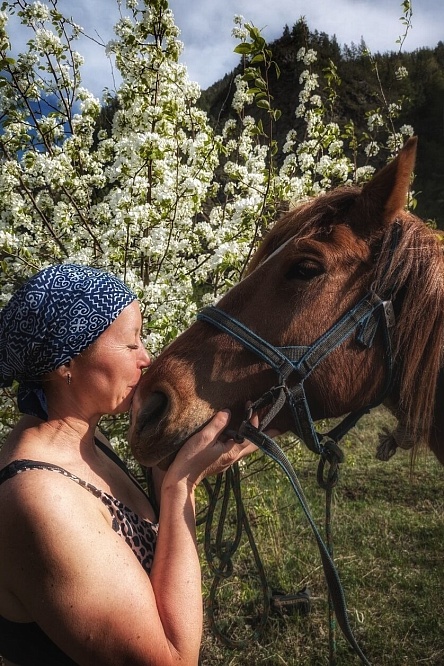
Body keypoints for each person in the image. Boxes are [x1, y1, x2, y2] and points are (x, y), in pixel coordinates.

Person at [0, 264, 257, 666]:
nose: (146, 358)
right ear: (64, 364)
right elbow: (172, 660)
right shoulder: (40, 498)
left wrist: (175, 439)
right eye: (130, 344)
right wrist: (181, 486)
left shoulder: (87, 438)